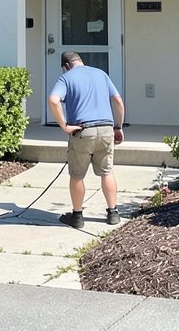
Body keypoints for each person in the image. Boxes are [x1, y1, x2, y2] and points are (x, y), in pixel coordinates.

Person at [47, 50, 125, 229]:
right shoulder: (101, 74)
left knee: (77, 176)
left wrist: (64, 126)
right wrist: (118, 127)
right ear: (80, 61)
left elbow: (53, 100)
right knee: (107, 172)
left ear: (66, 66)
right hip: (106, 129)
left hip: (83, 130)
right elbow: (118, 101)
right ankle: (113, 213)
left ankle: (77, 217)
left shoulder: (66, 78)